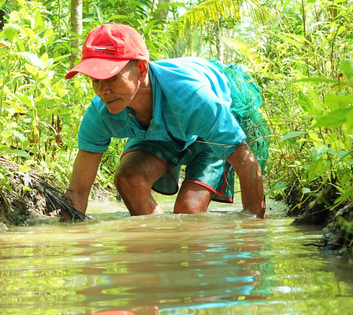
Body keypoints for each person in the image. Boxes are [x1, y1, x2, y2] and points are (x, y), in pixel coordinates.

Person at [61, 23, 268, 221]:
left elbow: (246, 162)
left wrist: (253, 231)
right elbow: (78, 192)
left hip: (204, 131)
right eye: (95, 80)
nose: (102, 91)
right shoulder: (100, 112)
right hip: (159, 128)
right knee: (129, 180)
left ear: (141, 69)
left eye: (112, 77)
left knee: (188, 210)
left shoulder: (193, 98)